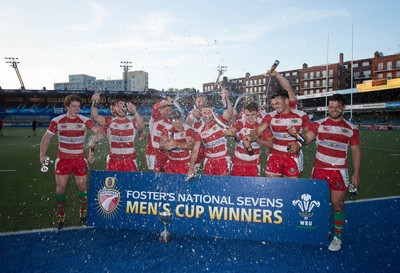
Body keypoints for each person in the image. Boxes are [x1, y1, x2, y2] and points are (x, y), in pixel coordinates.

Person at [289, 94, 361, 252]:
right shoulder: (319, 124)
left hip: (339, 171)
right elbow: (306, 139)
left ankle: (337, 237)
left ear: (343, 107)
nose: (333, 110)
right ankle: (322, 230)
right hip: (320, 171)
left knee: (337, 204)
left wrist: (356, 173)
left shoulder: (351, 129)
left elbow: (356, 152)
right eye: (331, 107)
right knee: (321, 204)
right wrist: (296, 139)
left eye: (336, 107)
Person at [39, 94, 103, 229]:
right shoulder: (57, 121)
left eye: (78, 106)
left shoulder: (85, 120)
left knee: (83, 188)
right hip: (63, 160)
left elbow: (99, 132)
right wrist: (42, 155)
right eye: (73, 106)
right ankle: (61, 216)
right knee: (60, 189)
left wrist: (94, 143)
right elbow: (47, 138)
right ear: (67, 106)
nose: (76, 109)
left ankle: (83, 212)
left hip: (80, 160)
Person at [245, 72, 311, 178]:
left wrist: (299, 143)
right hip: (275, 156)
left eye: (277, 103)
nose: (275, 107)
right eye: (273, 104)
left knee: (291, 191)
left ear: (287, 101)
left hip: (292, 157)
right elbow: (257, 131)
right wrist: (250, 138)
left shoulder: (301, 115)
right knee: (271, 189)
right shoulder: (270, 116)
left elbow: (309, 136)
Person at [90, 93, 145, 171]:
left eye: (123, 106)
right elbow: (94, 116)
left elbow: (141, 126)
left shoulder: (132, 120)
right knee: (112, 183)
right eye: (118, 106)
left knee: (130, 183)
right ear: (114, 108)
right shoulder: (109, 121)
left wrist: (135, 112)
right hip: (113, 160)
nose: (121, 108)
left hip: (130, 160)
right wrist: (95, 102)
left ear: (127, 108)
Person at [187, 88, 233, 177]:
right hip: (209, 161)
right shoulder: (200, 129)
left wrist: (226, 99)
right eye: (204, 112)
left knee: (222, 185)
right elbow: (195, 150)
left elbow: (229, 112)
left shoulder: (219, 121)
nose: (207, 115)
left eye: (209, 112)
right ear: (201, 114)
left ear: (213, 112)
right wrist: (191, 167)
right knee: (210, 187)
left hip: (222, 159)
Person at [227, 101, 272, 177]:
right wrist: (231, 133)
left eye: (252, 115)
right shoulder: (240, 123)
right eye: (247, 115)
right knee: (236, 187)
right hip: (237, 163)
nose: (250, 118)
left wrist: (256, 139)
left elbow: (271, 144)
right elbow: (231, 132)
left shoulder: (261, 126)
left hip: (253, 165)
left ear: (258, 113)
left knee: (252, 188)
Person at [160, 110, 195, 174]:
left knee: (185, 183)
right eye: (175, 123)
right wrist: (166, 146)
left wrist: (176, 144)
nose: (178, 125)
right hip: (171, 163)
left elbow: (191, 145)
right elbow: (161, 145)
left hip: (185, 163)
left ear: (182, 120)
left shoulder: (188, 129)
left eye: (180, 122)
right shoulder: (167, 129)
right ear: (171, 123)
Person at [145, 97, 174, 172]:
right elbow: (155, 107)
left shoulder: (169, 123)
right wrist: (166, 102)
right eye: (166, 110)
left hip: (164, 153)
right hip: (152, 153)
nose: (168, 112)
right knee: (153, 176)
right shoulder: (155, 118)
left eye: (170, 110)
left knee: (166, 175)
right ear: (161, 109)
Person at [186, 94, 207, 172]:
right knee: (194, 165)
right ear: (195, 102)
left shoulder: (208, 112)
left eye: (202, 101)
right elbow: (187, 124)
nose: (201, 103)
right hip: (196, 143)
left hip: (206, 142)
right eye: (199, 101)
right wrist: (192, 115)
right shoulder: (191, 112)